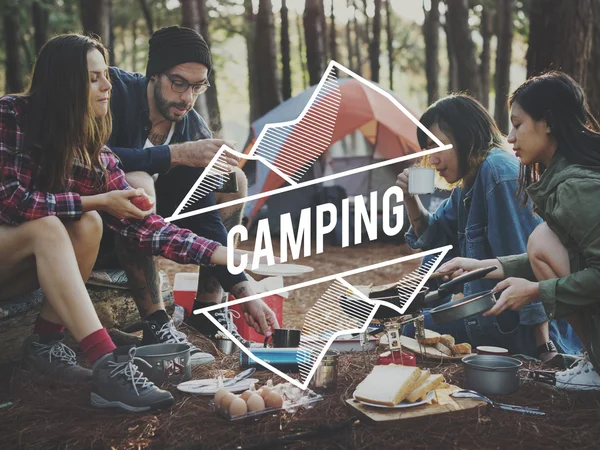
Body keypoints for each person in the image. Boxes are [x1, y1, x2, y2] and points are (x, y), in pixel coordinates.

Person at [0, 34, 248, 411]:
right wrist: (100, 200)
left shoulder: (87, 142)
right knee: (54, 225)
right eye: (94, 78)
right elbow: (11, 201)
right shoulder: (12, 114)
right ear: (64, 81)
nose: (107, 87)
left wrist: (225, 257)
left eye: (106, 76)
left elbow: (144, 225)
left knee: (89, 224)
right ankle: (107, 362)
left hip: (21, 267)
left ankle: (46, 344)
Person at [103, 26, 278, 349]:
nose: (187, 97)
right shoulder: (114, 94)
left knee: (233, 180)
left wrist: (243, 288)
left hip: (158, 227)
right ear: (153, 75)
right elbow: (89, 157)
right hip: (96, 222)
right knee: (139, 184)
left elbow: (204, 214)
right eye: (179, 83)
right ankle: (156, 323)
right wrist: (175, 155)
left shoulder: (192, 126)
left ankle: (209, 308)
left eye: (198, 87)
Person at [438, 72, 600, 389]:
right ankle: (594, 361)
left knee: (540, 240)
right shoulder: (563, 179)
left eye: (518, 124)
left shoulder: (576, 187)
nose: (510, 137)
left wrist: (535, 292)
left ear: (548, 122)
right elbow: (566, 258)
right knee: (542, 243)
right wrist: (481, 268)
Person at [396, 94, 580, 360]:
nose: (433, 161)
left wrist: (543, 348)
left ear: (466, 135)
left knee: (407, 332)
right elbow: (434, 239)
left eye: (439, 147)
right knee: (396, 327)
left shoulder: (497, 172)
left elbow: (527, 258)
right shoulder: (468, 185)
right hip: (490, 318)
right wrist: (410, 199)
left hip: (519, 328)